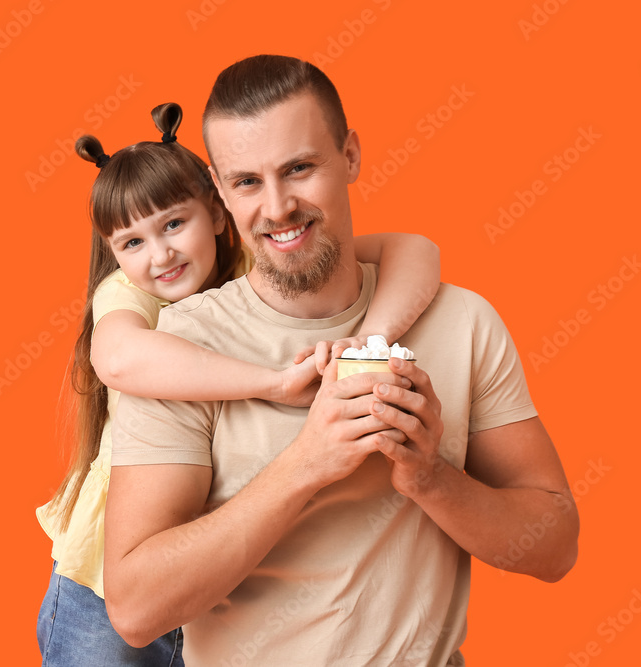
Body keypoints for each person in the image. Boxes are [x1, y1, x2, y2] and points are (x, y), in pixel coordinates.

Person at [102, 55, 580, 666]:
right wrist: (306, 463)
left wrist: (431, 478)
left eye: (299, 168)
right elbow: (136, 610)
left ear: (350, 156)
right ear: (220, 192)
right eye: (247, 181)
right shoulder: (182, 351)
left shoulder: (462, 322)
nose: (277, 208)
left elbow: (555, 545)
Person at [35, 101, 442, 666]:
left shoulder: (256, 273)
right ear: (112, 255)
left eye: (175, 224)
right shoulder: (128, 298)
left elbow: (416, 251)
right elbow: (119, 359)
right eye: (132, 243)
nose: (161, 255)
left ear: (220, 212)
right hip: (100, 587)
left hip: (209, 573)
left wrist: (368, 341)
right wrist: (272, 384)